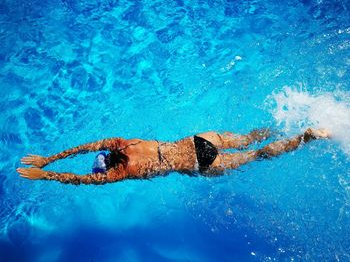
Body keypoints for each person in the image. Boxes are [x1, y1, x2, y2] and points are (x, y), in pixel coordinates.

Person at [17, 128, 330, 185]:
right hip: (198, 140)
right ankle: (283, 126)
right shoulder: (125, 143)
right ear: (110, 152)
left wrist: (47, 174)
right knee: (251, 138)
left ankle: (304, 137)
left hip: (200, 164)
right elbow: (83, 147)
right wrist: (49, 158)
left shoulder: (123, 173)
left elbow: (82, 179)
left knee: (257, 155)